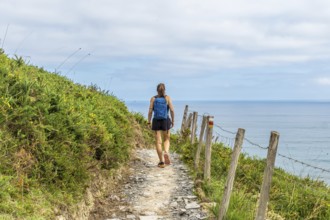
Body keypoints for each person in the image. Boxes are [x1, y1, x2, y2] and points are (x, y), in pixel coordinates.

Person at [148, 83, 175, 168]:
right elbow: (172, 110)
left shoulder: (153, 99)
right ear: (164, 90)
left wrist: (149, 121)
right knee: (166, 139)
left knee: (158, 142)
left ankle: (161, 162)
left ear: (157, 90)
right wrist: (173, 121)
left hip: (156, 121)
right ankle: (166, 152)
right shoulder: (167, 98)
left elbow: (150, 111)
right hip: (165, 120)